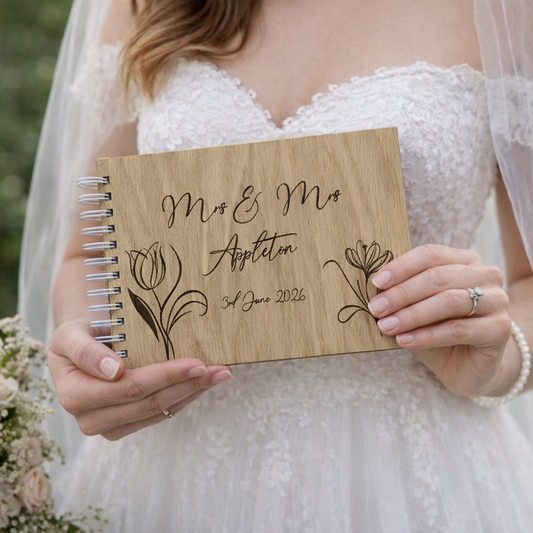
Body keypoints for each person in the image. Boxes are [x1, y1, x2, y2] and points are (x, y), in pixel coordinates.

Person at [19, 0, 533, 531]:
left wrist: (501, 361)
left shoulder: (501, 10)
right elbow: (90, 253)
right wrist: (92, 351)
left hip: (408, 467)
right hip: (171, 462)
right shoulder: (146, 6)